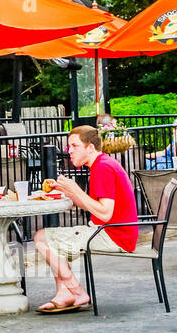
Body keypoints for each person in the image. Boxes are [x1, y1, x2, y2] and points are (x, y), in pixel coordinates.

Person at [31, 126, 139, 313]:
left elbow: (105, 213)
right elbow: (93, 207)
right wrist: (68, 192)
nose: (69, 151)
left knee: (42, 238)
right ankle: (65, 294)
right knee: (51, 238)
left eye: (74, 145)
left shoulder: (103, 168)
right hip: (115, 231)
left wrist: (76, 191)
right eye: (68, 146)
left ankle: (77, 292)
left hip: (114, 234)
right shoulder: (103, 163)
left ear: (90, 148)